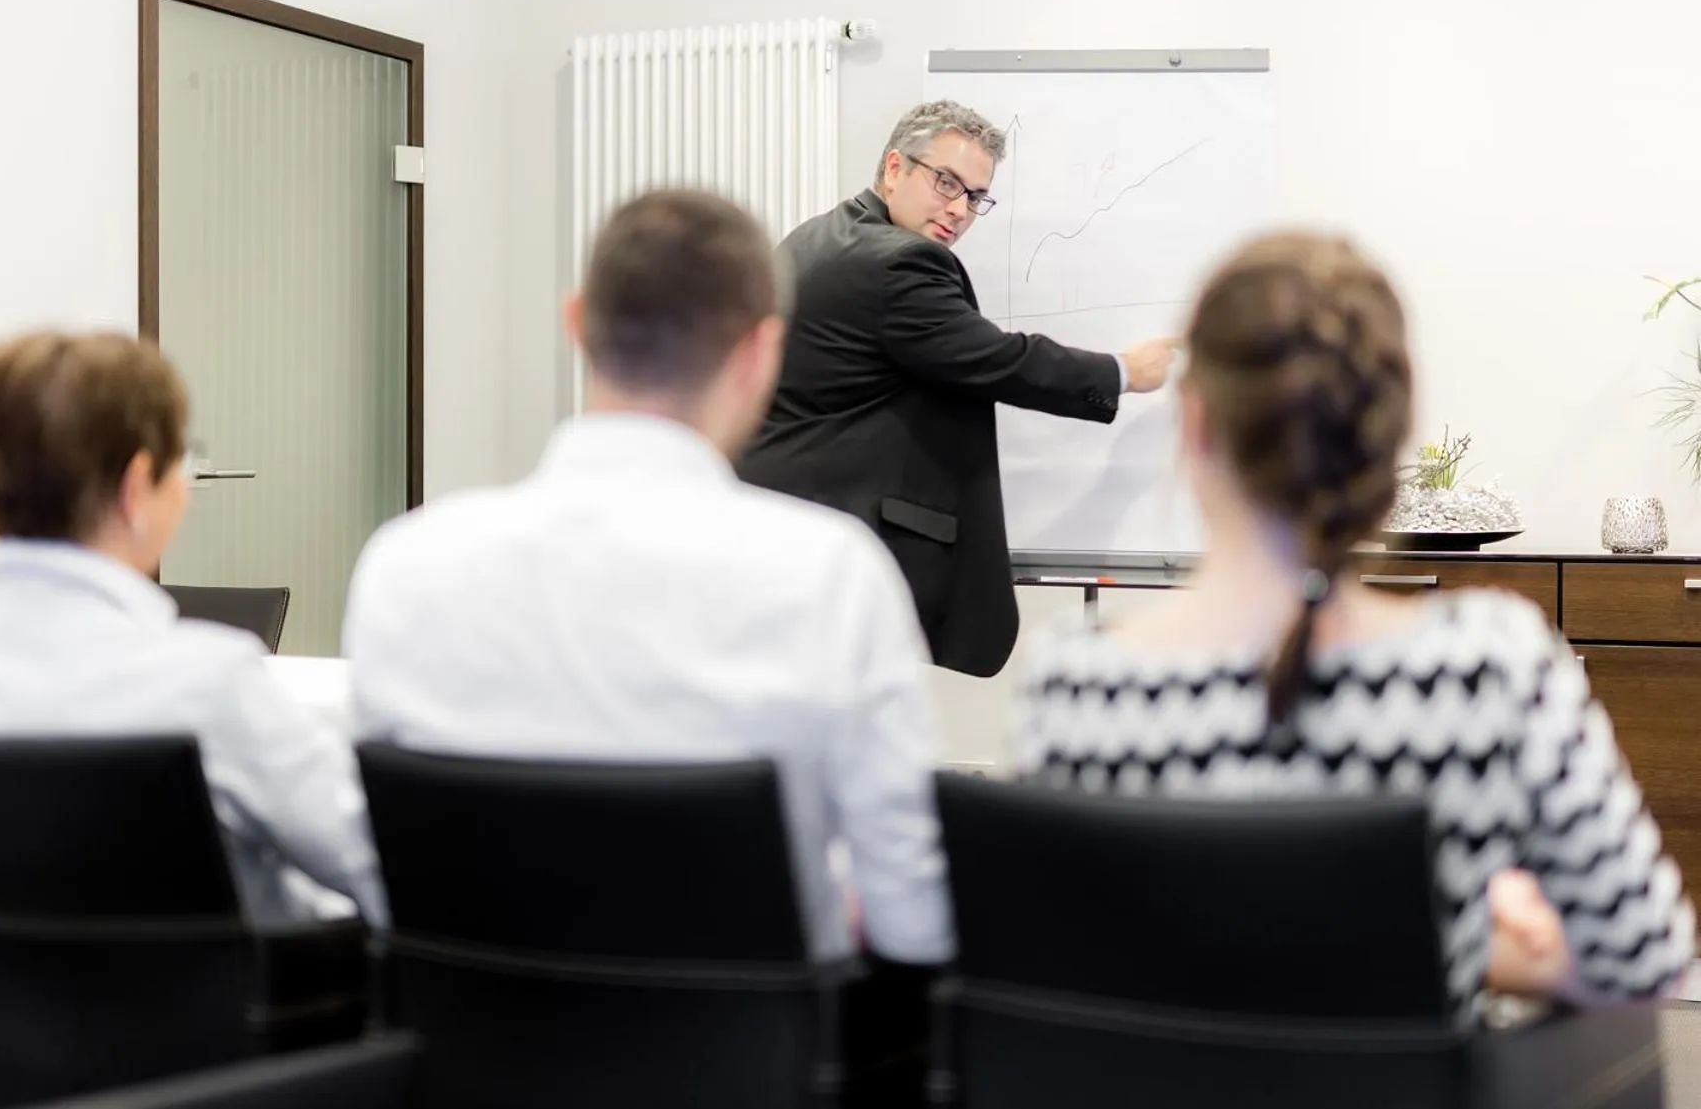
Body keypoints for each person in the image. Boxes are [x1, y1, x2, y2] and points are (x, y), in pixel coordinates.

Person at [1012, 232, 1693, 1020]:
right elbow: (1645, 960)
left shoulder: (1075, 683)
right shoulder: (1490, 665)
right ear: (1390, 437)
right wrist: (1479, 940)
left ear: (1195, 424)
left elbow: (1060, 976)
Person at [344, 188, 952, 970]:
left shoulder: (406, 565)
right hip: (752, 1070)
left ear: (576, 324)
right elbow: (914, 921)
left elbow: (384, 874)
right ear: (762, 351)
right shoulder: (829, 576)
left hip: (462, 1065)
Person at [0, 330, 387, 929]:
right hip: (205, 1022)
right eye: (177, 466)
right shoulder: (210, 688)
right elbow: (388, 875)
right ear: (136, 488)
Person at [737, 99, 1181, 678]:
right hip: (846, 540)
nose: (958, 209)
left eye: (975, 196)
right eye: (945, 181)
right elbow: (996, 360)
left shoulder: (815, 237)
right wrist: (1123, 371)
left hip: (794, 531)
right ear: (894, 168)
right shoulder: (898, 262)